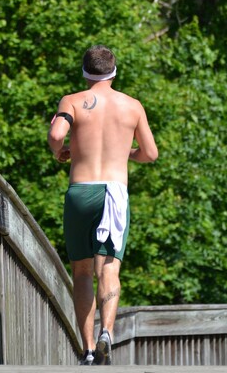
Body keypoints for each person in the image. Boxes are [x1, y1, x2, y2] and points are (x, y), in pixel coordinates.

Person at [48, 45, 158, 366]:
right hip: (114, 193)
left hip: (80, 191)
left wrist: (60, 151)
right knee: (109, 266)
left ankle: (88, 350)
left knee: (82, 272)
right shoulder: (132, 106)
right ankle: (106, 333)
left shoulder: (72, 101)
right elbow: (150, 153)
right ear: (114, 71)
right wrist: (125, 153)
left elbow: (56, 134)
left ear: (85, 71)